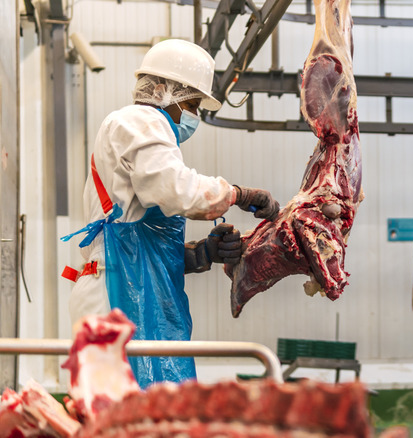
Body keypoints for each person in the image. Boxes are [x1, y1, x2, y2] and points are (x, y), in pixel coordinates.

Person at [61, 39, 280, 389]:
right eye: (192, 104)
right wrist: (239, 195)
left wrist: (199, 255)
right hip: (116, 293)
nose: (193, 117)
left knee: (157, 415)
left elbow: (143, 244)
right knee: (117, 416)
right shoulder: (138, 120)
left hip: (142, 290)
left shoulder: (145, 138)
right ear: (164, 91)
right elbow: (177, 190)